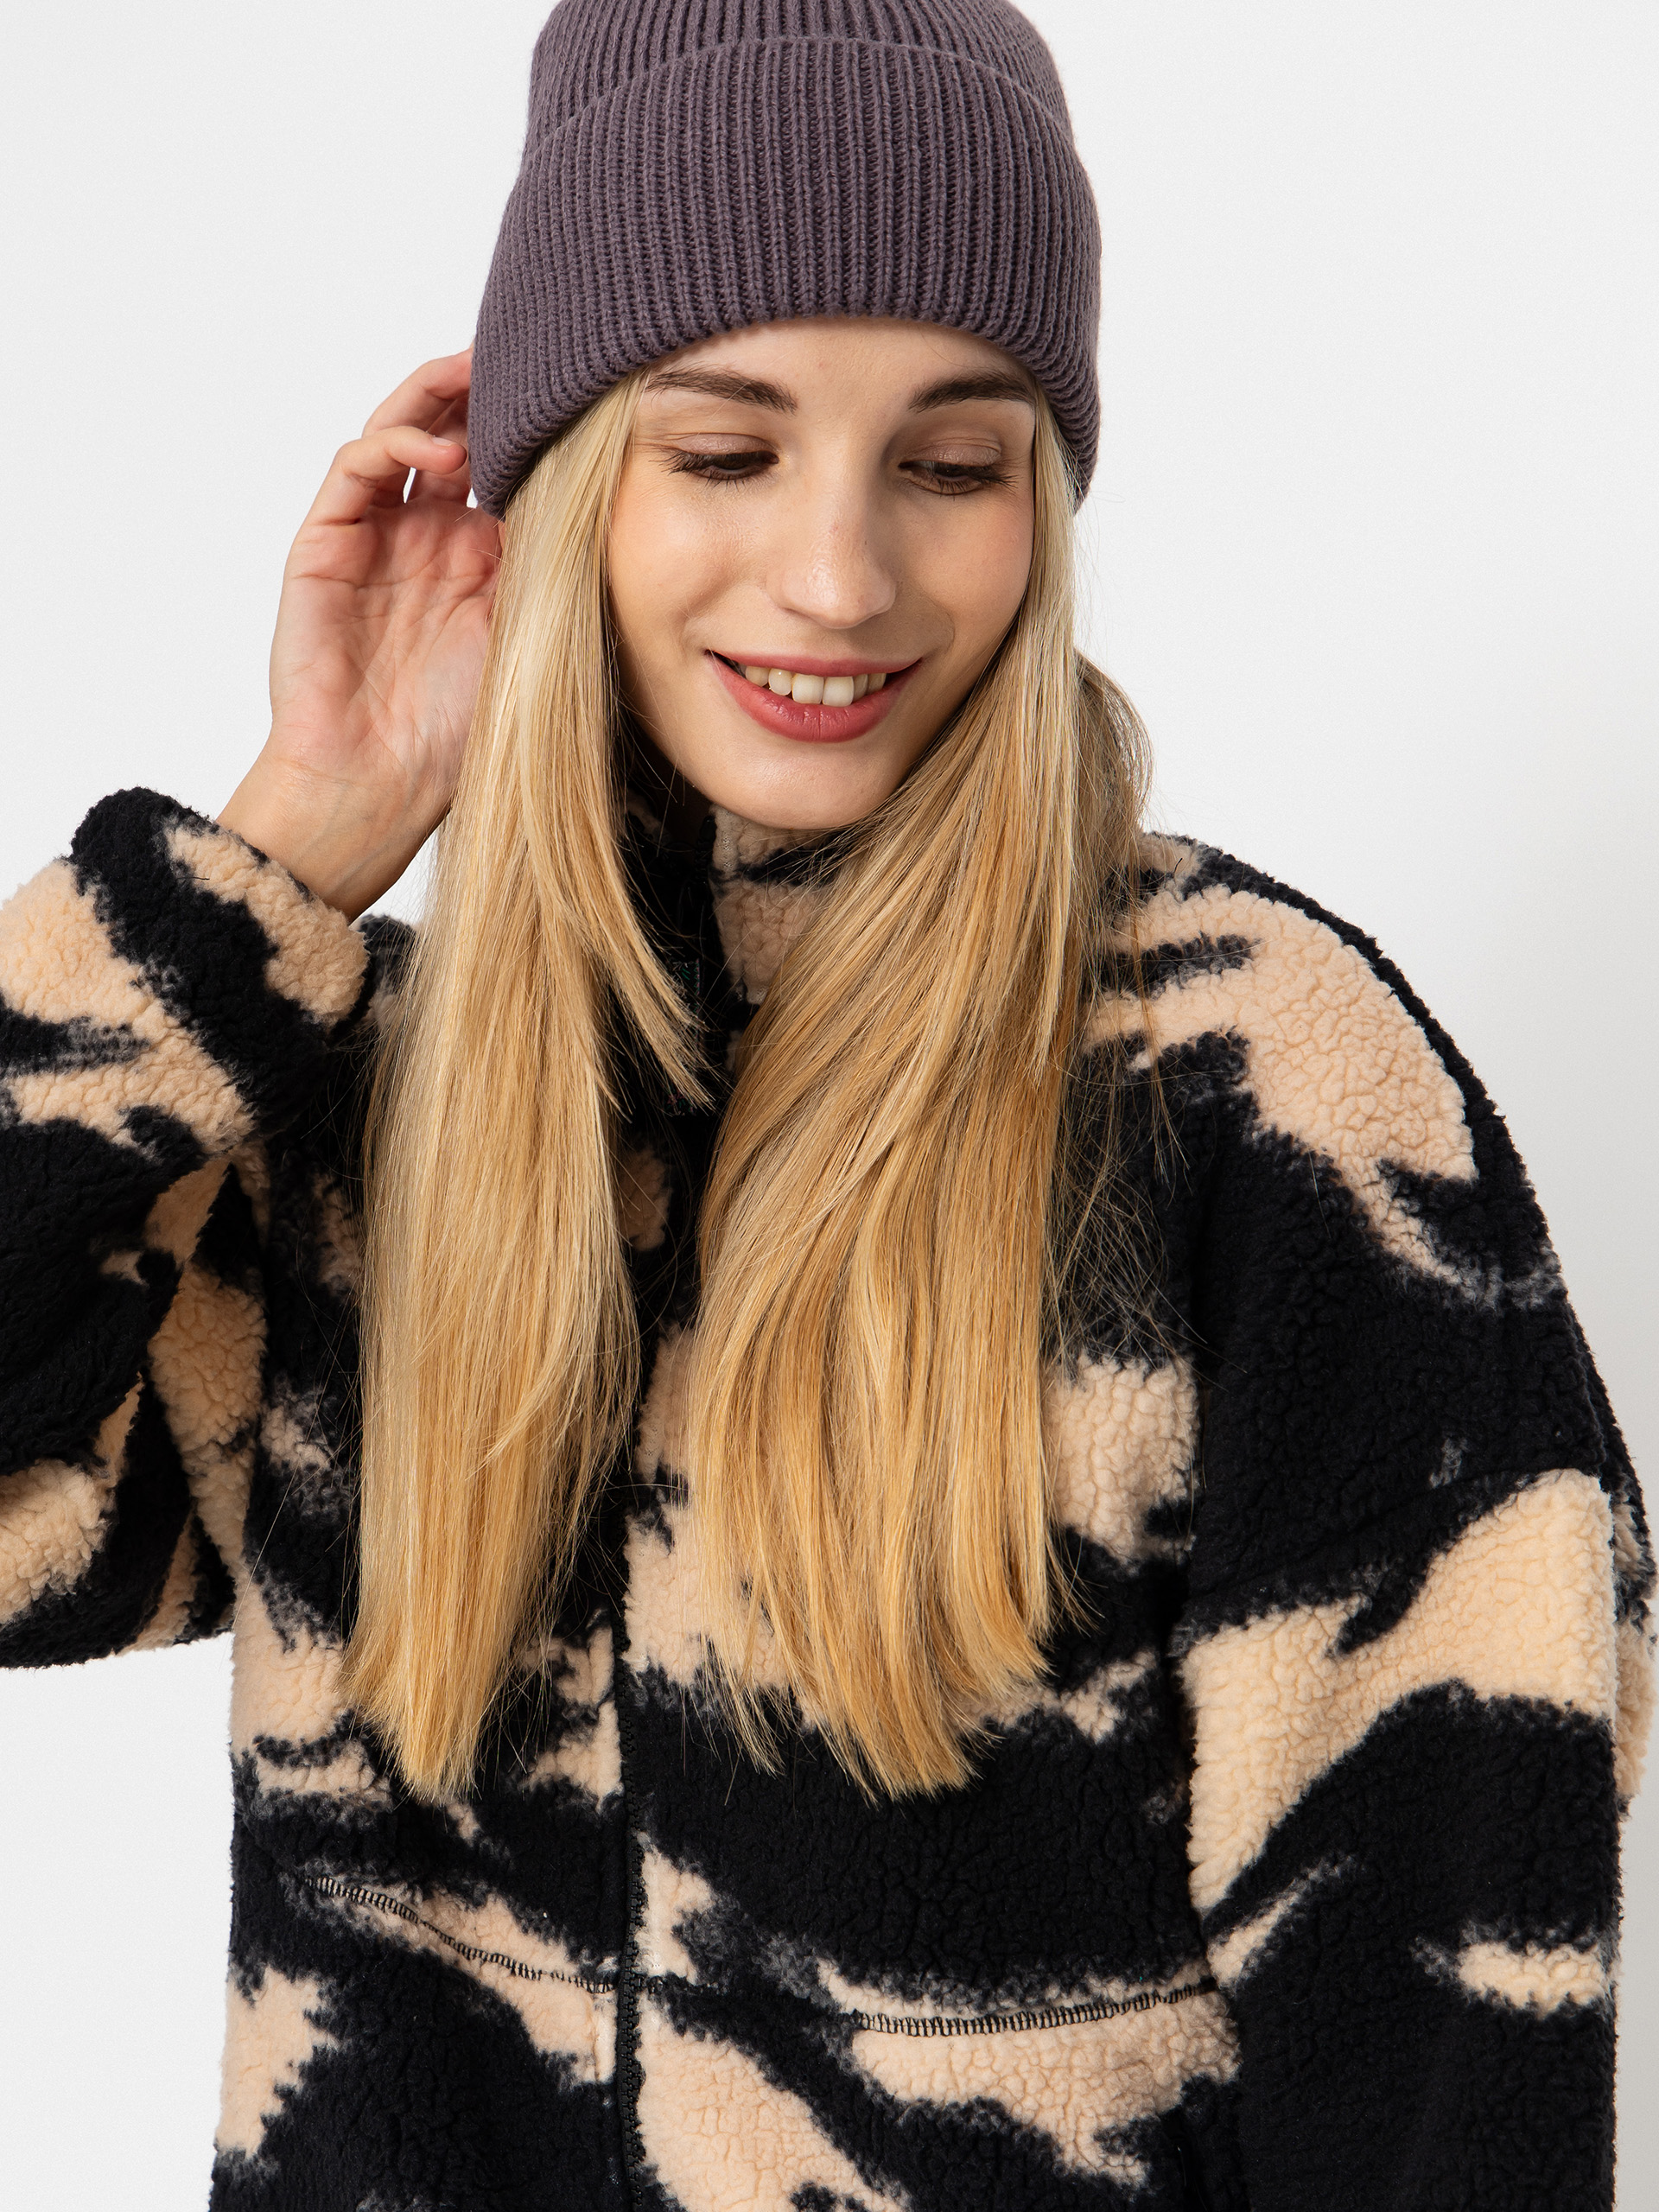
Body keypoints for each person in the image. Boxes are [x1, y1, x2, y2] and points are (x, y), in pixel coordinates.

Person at [1, 1, 1649, 2205]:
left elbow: (1448, 2043)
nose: (842, 576)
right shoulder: (373, 1111)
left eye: (951, 465)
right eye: (724, 451)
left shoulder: (1258, 1093)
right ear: (561, 485)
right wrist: (288, 837)